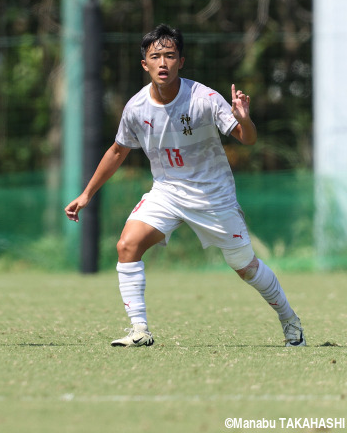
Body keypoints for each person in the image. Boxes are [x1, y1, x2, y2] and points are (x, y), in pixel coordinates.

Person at [65, 24, 305, 348]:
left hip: (213, 195)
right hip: (167, 191)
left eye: (170, 55)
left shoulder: (204, 98)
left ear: (181, 61)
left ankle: (290, 320)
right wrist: (86, 194)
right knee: (127, 245)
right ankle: (139, 330)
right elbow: (117, 151)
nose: (162, 62)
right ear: (145, 64)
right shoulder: (136, 108)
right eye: (155, 56)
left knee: (244, 267)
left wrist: (245, 119)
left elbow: (247, 139)